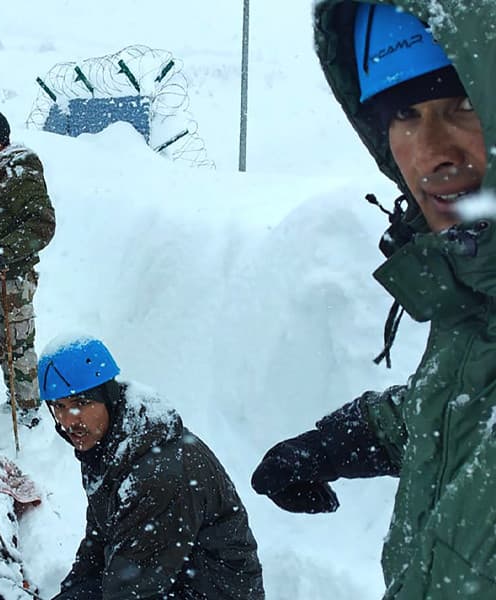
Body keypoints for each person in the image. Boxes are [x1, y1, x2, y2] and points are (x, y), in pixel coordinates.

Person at [251, 2, 495, 597]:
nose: (431, 149)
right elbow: (468, 400)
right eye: (404, 113)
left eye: (462, 103)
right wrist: (342, 441)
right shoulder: (476, 293)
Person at [40, 335, 265, 599]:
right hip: (168, 578)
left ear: (108, 398)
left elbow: (133, 588)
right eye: (59, 406)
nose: (69, 421)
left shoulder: (158, 473)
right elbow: (99, 543)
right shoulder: (104, 444)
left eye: (81, 403)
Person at [0, 110, 55, 427]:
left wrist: (5, 253)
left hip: (13, 277)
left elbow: (42, 224)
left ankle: (30, 409)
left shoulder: (20, 170)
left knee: (17, 343)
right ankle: (15, 397)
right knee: (1, 340)